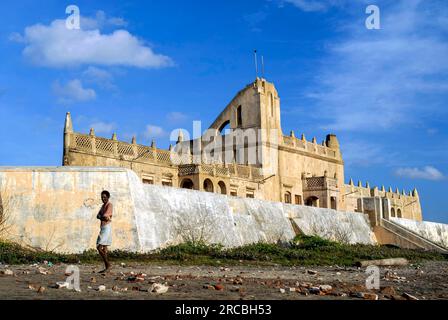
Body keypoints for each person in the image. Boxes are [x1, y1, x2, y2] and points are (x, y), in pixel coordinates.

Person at [96, 190, 113, 273]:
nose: (103, 198)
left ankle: (108, 264)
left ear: (108, 197)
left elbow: (105, 216)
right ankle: (107, 267)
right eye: (102, 197)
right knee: (105, 248)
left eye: (104, 197)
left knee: (99, 247)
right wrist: (102, 217)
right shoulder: (103, 206)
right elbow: (98, 215)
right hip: (103, 226)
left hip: (106, 227)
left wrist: (102, 217)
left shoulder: (109, 205)